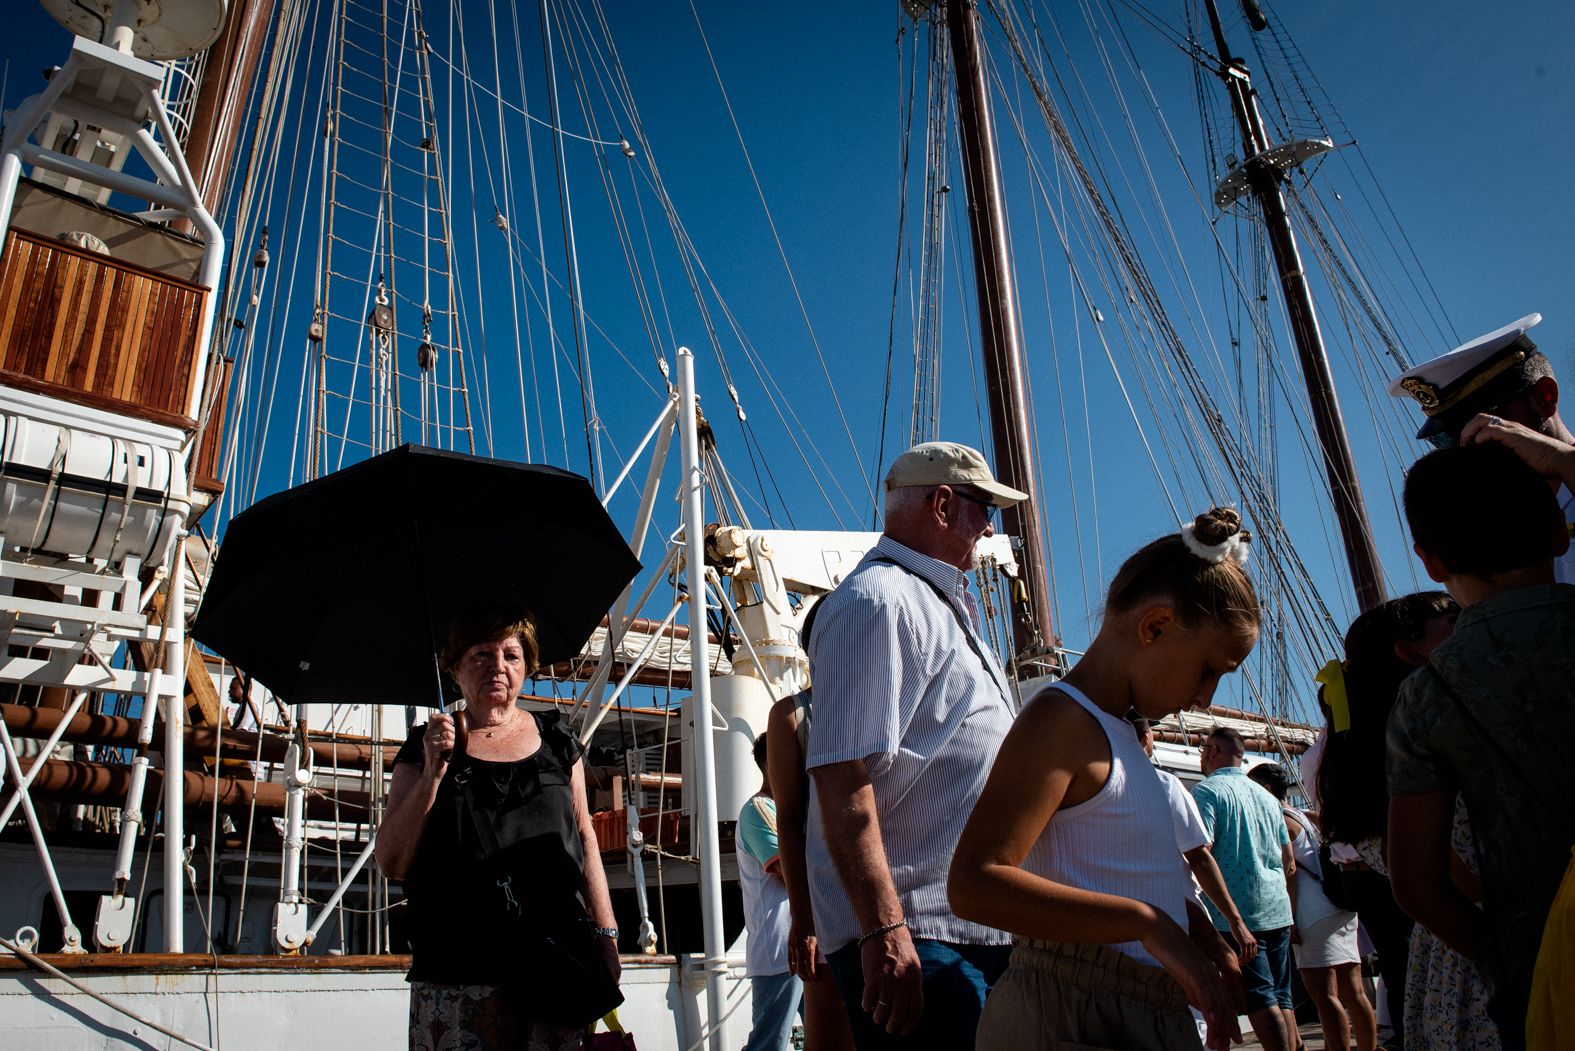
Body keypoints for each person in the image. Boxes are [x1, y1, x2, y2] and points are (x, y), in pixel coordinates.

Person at [948, 507, 1254, 1051]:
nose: (1206, 699)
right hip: (1075, 1008)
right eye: (1209, 669)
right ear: (1155, 627)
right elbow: (975, 884)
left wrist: (1204, 939)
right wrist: (1147, 924)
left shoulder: (1121, 739)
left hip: (1144, 1004)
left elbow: (1132, 871)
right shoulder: (1061, 721)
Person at [805, 440, 1022, 1049]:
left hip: (963, 928)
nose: (987, 527)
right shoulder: (879, 602)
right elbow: (843, 775)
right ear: (944, 505)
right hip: (921, 935)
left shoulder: (932, 603)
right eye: (984, 509)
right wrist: (885, 931)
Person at [1388, 443, 1575, 1050]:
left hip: (1542, 961)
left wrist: (1497, 953)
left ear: (1431, 561)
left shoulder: (1428, 694)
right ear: (1557, 530)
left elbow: (1417, 884)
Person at [376, 607, 620, 1051]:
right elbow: (391, 862)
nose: (498, 667)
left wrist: (606, 934)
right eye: (481, 655)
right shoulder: (423, 748)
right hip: (458, 973)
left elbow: (585, 837)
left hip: (556, 964)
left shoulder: (558, 741)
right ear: (454, 669)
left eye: (511, 655)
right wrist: (433, 771)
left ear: (527, 667)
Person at [1317, 592, 1458, 1048]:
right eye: (1453, 623)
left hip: (1444, 966)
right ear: (1408, 651)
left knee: (1389, 971)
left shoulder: (1355, 762)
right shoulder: (1423, 750)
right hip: (1475, 958)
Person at [1389, 312, 1575, 584]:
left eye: (1483, 425)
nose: (1468, 444)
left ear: (1545, 397)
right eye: (1447, 439)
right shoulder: (1489, 523)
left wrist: (1556, 458)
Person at [767, 615, 856, 1051]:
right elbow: (789, 821)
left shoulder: (889, 704)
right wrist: (803, 920)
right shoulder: (792, 716)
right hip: (830, 912)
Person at [1248, 762, 1378, 1051]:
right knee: (1354, 990)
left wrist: (1290, 916)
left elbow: (1289, 870)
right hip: (1338, 906)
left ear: (1266, 790)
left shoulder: (1279, 819)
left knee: (1325, 995)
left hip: (1310, 911)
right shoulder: (1303, 815)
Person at [1193, 725, 1296, 1051]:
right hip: (1277, 908)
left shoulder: (1208, 792)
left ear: (1212, 752)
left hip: (1239, 914)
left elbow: (1200, 851)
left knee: (1259, 998)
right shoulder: (1267, 797)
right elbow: (1288, 858)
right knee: (1282, 997)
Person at [1132, 716, 1258, 964]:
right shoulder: (1167, 785)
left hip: (1127, 923)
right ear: (1147, 737)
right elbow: (1199, 856)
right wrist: (1236, 921)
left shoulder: (1087, 784)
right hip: (1183, 915)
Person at [739, 731, 803, 1051]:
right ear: (770, 763)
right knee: (769, 1044)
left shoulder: (791, 812)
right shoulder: (759, 811)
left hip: (805, 946)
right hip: (780, 951)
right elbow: (790, 873)